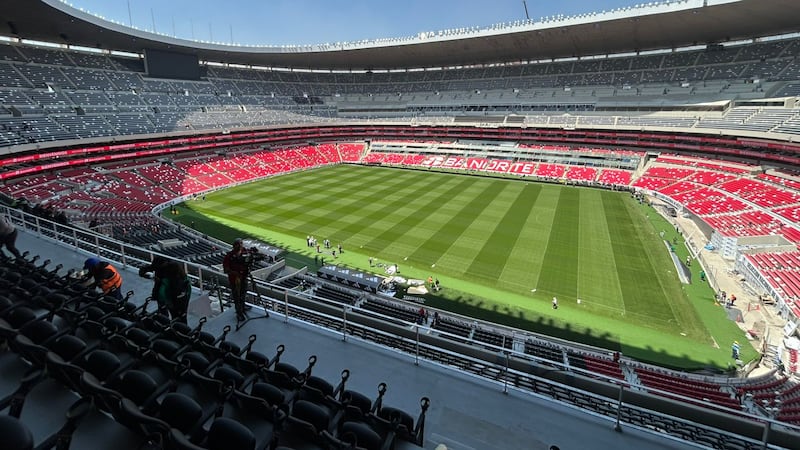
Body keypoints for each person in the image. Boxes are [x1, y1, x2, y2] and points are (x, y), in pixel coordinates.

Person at [223, 238, 250, 321]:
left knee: (243, 294)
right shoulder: (229, 256)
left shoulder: (245, 252)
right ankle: (239, 313)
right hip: (234, 280)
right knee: (237, 297)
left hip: (244, 278)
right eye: (238, 244)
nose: (240, 245)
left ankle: (243, 306)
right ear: (234, 245)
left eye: (241, 243)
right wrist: (236, 273)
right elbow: (226, 270)